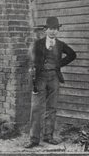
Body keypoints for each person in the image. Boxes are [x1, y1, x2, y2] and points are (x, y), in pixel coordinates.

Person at [25, 16, 76, 148]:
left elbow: (72, 54)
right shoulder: (38, 44)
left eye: (56, 29)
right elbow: (30, 59)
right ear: (45, 30)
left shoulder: (60, 44)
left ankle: (48, 136)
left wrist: (59, 64)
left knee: (51, 108)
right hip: (40, 78)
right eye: (51, 29)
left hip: (54, 78)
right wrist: (34, 70)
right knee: (36, 108)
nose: (53, 32)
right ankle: (33, 139)